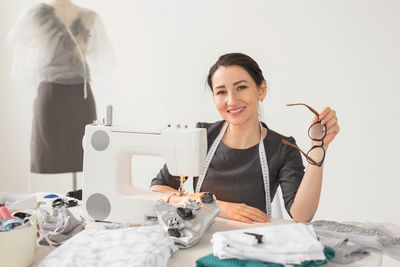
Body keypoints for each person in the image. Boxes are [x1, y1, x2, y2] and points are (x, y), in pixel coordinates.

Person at [150, 53, 340, 223]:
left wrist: (319, 146)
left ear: (261, 90)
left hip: (251, 245)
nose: (231, 100)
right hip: (199, 242)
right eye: (221, 92)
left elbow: (302, 215)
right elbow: (157, 190)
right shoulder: (201, 137)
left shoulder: (282, 148)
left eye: (241, 87)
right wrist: (218, 207)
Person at [8, 0, 113, 174]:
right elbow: (23, 63)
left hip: (82, 97)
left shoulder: (90, 17)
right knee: (50, 157)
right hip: (51, 96)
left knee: (85, 155)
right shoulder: (37, 15)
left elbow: (101, 58)